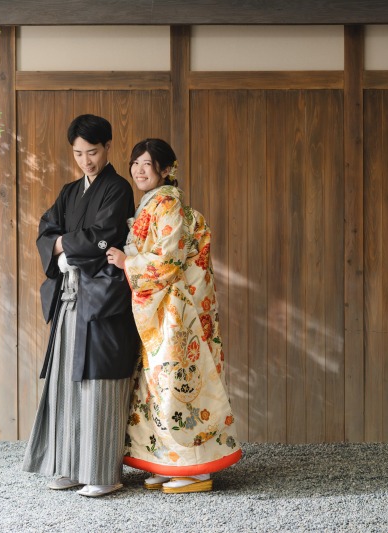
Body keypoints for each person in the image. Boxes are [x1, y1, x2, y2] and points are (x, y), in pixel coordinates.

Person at [106, 138, 242, 494]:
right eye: (135, 162)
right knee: (159, 386)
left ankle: (196, 469)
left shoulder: (167, 204)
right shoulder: (154, 203)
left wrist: (128, 262)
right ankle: (168, 462)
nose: (138, 169)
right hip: (166, 306)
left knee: (180, 386)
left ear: (166, 170)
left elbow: (169, 260)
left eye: (147, 164)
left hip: (176, 310)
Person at [23, 114, 140, 498]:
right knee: (65, 383)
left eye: (92, 152)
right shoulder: (71, 191)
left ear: (108, 147)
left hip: (103, 300)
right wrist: (61, 247)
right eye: (78, 153)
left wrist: (64, 245)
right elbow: (47, 229)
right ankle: (71, 466)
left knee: (100, 383)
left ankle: (104, 472)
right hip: (71, 300)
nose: (86, 161)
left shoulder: (118, 188)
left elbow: (102, 237)